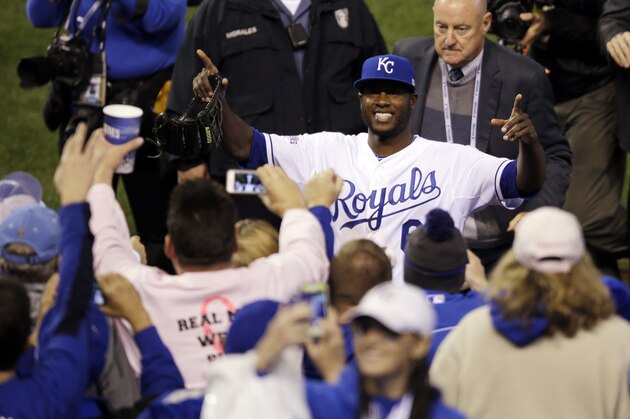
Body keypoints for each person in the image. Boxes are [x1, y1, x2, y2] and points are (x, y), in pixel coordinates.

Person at [192, 50, 547, 281]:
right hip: (346, 308)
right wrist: (216, 103)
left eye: (392, 92)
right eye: (373, 91)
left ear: (412, 100)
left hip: (421, 310)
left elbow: (522, 183)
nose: (381, 100)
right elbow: (245, 147)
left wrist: (529, 146)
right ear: (360, 98)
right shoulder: (324, 148)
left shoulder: (454, 160)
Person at [86, 123, 339, 388]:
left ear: (170, 248)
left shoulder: (137, 291)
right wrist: (296, 206)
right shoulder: (277, 281)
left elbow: (105, 243)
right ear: (233, 245)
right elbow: (310, 249)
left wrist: (103, 172)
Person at [392, 0, 571, 273]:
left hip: (495, 245)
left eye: (461, 29)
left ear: (486, 23)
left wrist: (538, 210)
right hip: (421, 241)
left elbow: (556, 155)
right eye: (441, 27)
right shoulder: (408, 58)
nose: (448, 40)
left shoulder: (523, 76)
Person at [25, 0, 186, 270]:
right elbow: (39, 15)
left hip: (148, 104)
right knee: (84, 220)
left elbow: (157, 19)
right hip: (86, 103)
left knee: (156, 225)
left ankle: (158, 301)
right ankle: (85, 304)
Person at [430, 207, 630, 419]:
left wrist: (482, 286)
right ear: (583, 261)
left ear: (514, 262)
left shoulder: (472, 331)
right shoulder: (618, 338)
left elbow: (432, 407)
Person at [518, 0, 626, 275]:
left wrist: (553, 23)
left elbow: (605, 23)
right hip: (535, 94)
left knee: (581, 220)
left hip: (592, 90)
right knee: (527, 209)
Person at [403, 208, 486, 364]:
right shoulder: (486, 311)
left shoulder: (389, 317)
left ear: (408, 274)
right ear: (464, 272)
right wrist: (481, 283)